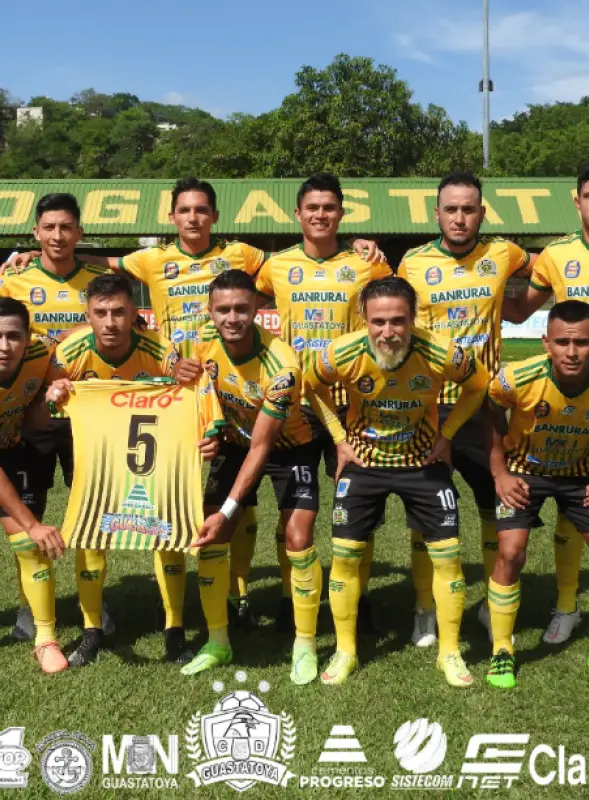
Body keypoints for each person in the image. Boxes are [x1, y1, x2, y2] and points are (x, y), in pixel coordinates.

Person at [0, 177, 385, 630]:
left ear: (214, 217)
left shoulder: (246, 256)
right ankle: (52, 605)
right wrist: (32, 254)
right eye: (184, 211)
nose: (193, 218)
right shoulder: (144, 260)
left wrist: (367, 248)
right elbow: (104, 260)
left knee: (327, 508)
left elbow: (279, 275)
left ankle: (309, 599)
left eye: (201, 210)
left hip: (270, 390)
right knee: (97, 503)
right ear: (172, 217)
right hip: (121, 397)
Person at [308, 276, 487, 687]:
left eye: (398, 321)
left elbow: (479, 385)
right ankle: (345, 650)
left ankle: (450, 652)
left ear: (413, 318)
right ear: (363, 319)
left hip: (422, 462)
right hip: (363, 463)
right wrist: (338, 439)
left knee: (448, 558)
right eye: (379, 322)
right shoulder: (343, 352)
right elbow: (311, 386)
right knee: (345, 558)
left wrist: (448, 434)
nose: (388, 332)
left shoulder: (442, 352)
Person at [45, 272, 223, 668]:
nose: (111, 322)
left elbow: (196, 387)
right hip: (98, 458)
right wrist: (53, 394)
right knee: (91, 534)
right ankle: (92, 631)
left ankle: (174, 631)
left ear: (133, 314)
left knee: (168, 532)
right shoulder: (69, 351)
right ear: (87, 314)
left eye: (120, 312)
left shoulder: (160, 348)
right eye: (101, 313)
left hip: (155, 460)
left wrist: (210, 432)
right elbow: (49, 400)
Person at [503, 160, 589, 649]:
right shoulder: (557, 254)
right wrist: (478, 287)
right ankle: (565, 607)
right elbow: (519, 307)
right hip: (569, 404)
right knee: (571, 507)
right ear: (576, 201)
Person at [254, 173, 393, 636]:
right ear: (298, 214)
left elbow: (398, 302)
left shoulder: (365, 264)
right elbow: (239, 300)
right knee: (292, 508)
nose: (320, 215)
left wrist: (377, 251)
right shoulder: (275, 266)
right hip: (292, 405)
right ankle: (287, 598)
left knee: (355, 508)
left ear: (341, 213)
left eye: (329, 207)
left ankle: (360, 596)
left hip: (352, 405)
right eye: (312, 207)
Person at [398, 171, 532, 648]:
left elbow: (545, 272)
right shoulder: (412, 263)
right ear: (437, 214)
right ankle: (424, 607)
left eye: (469, 208)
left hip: (487, 406)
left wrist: (520, 309)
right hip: (426, 408)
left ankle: (491, 599)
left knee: (494, 502)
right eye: (451, 209)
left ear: (481, 212)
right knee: (425, 510)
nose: (459, 217)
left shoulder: (504, 253)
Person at [171, 269, 324, 683]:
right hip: (236, 443)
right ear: (210, 311)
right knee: (211, 535)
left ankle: (305, 643)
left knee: (298, 536)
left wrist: (231, 509)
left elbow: (263, 447)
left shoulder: (283, 365)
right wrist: (178, 373)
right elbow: (171, 375)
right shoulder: (199, 341)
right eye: (223, 309)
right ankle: (218, 642)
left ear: (259, 309)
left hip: (289, 448)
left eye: (242, 308)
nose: (232, 317)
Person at [484, 300, 589, 689]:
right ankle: (502, 650)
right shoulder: (517, 377)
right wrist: (500, 472)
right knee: (511, 552)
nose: (572, 352)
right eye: (563, 342)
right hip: (524, 472)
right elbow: (487, 410)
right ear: (545, 342)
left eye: (582, 343)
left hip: (581, 474)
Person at [0, 193, 109, 642]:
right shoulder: (15, 278)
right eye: (49, 228)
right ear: (36, 233)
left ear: (79, 233)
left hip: (90, 411)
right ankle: (31, 604)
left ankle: (94, 602)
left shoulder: (100, 277)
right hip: (34, 416)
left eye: (67, 227)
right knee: (32, 507)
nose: (58, 236)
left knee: (94, 507)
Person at [0, 298, 69, 672]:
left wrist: (49, 396)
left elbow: (32, 417)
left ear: (28, 339)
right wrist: (31, 521)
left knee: (27, 545)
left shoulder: (42, 353)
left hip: (11, 447)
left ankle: (45, 639)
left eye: (13, 336)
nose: (4, 346)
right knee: (30, 528)